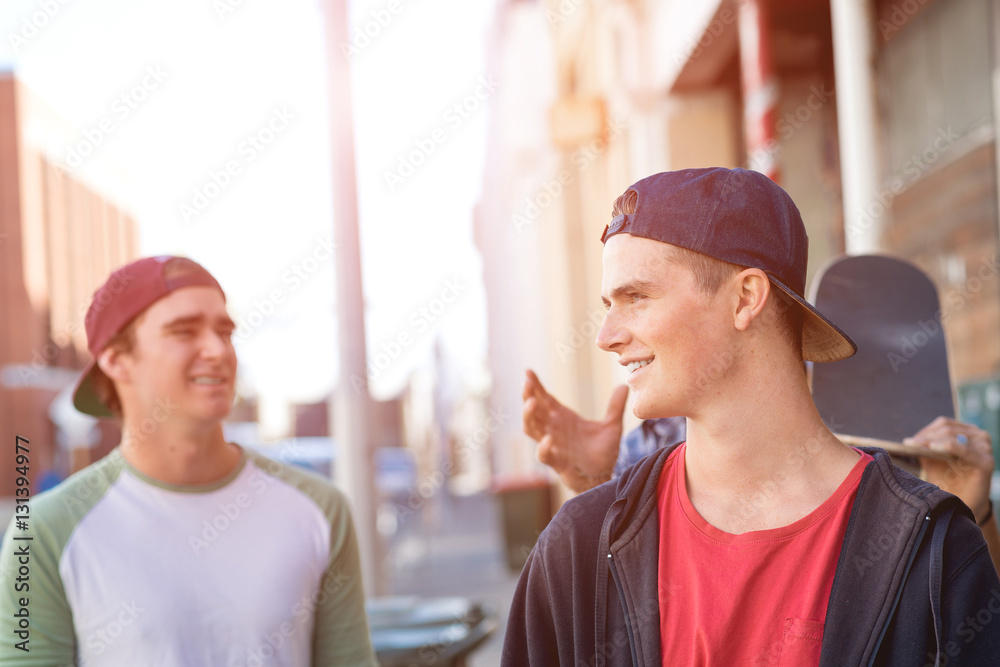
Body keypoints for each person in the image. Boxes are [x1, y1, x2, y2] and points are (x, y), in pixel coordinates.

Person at [501, 167, 1000, 665]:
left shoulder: (932, 547)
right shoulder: (574, 552)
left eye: (636, 297)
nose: (605, 335)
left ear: (745, 299)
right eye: (609, 303)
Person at [0, 256, 376, 666]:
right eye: (183, 331)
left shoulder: (320, 510)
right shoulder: (44, 533)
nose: (217, 350)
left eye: (224, 331)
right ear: (115, 359)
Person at [524, 375, 1000, 571]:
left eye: (639, 296)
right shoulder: (654, 440)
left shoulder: (887, 458)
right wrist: (601, 484)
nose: (611, 332)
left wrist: (971, 511)